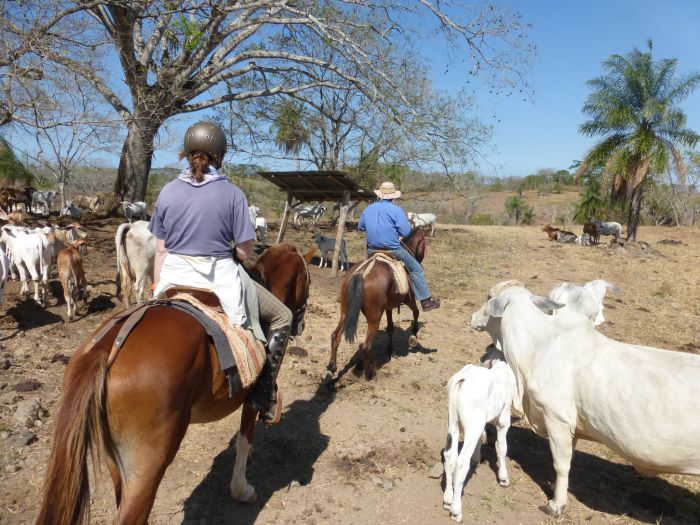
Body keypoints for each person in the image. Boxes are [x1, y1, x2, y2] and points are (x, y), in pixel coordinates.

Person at [148, 121, 291, 424]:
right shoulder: (232, 194)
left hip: (172, 273)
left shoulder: (168, 191)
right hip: (219, 275)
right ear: (219, 156)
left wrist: (156, 288)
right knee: (282, 317)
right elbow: (245, 251)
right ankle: (262, 395)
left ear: (185, 153)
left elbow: (160, 250)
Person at [357, 181, 441, 311]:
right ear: (393, 196)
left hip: (372, 250)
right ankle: (425, 301)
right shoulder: (396, 210)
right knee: (416, 269)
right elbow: (406, 232)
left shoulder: (368, 209)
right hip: (393, 250)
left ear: (379, 194)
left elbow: (361, 226)